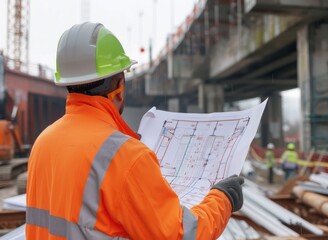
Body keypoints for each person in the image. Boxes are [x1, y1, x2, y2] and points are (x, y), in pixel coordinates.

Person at [26, 22, 244, 239]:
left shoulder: (43, 143)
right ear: (120, 87)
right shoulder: (126, 156)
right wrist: (222, 198)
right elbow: (180, 235)